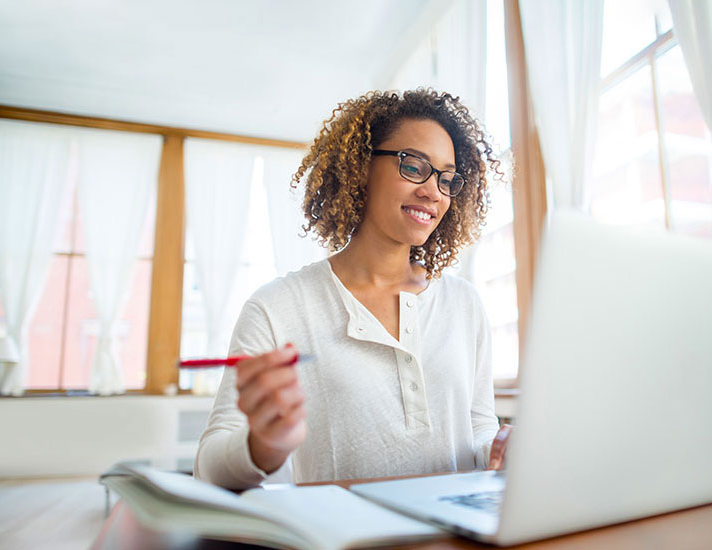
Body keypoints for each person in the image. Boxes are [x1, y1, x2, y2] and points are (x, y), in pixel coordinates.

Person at [194, 89, 512, 490]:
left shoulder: (463, 304)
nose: (433, 191)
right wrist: (261, 446)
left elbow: (478, 428)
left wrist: (500, 449)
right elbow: (207, 468)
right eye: (413, 166)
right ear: (361, 167)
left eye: (447, 179)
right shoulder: (278, 308)